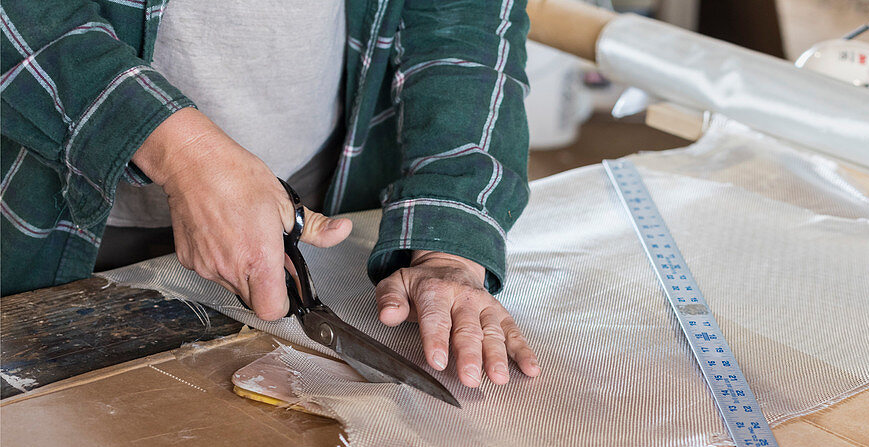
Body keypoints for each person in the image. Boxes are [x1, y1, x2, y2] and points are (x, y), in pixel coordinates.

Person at [1, 0, 541, 388]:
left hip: (317, 190)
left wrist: (448, 246)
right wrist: (183, 153)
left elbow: (465, 18)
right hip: (46, 203)